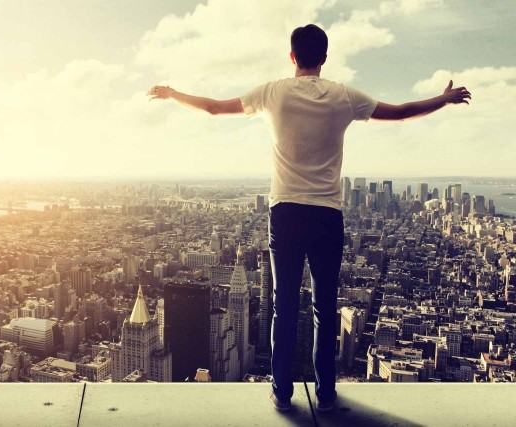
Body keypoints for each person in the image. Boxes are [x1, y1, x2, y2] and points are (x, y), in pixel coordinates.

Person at [147, 24, 471, 413]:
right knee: (323, 305)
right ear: (325, 58)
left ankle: (282, 393)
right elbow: (401, 114)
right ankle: (327, 394)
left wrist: (171, 93)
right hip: (326, 216)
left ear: (292, 56)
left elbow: (214, 108)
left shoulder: (272, 92)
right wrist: (443, 98)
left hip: (285, 213)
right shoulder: (343, 96)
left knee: (283, 305)